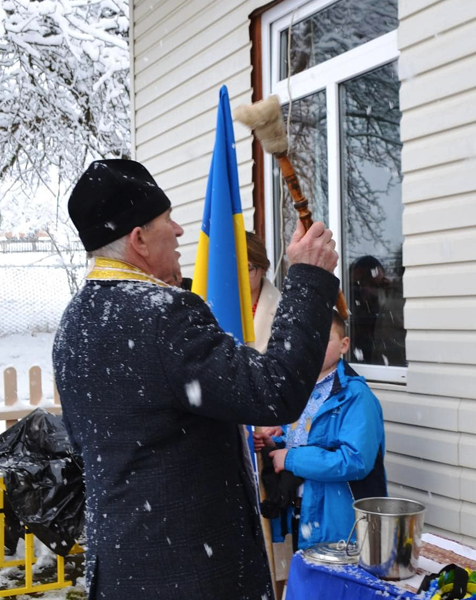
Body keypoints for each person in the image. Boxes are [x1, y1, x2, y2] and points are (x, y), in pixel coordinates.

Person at [52, 159, 340, 599]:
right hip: (192, 576)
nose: (181, 231)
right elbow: (275, 390)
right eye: (167, 220)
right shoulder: (162, 315)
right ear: (139, 239)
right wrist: (308, 279)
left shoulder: (74, 324)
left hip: (123, 570)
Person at [261, 311, 387, 550]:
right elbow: (311, 442)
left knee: (333, 585)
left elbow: (355, 460)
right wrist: (275, 444)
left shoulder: (356, 396)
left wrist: (290, 457)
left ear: (344, 345)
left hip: (340, 523)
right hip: (303, 510)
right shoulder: (301, 392)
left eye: (324, 338)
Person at [245, 231, 280, 354]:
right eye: (233, 268)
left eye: (248, 269)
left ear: (263, 267)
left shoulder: (282, 310)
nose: (239, 276)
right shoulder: (212, 306)